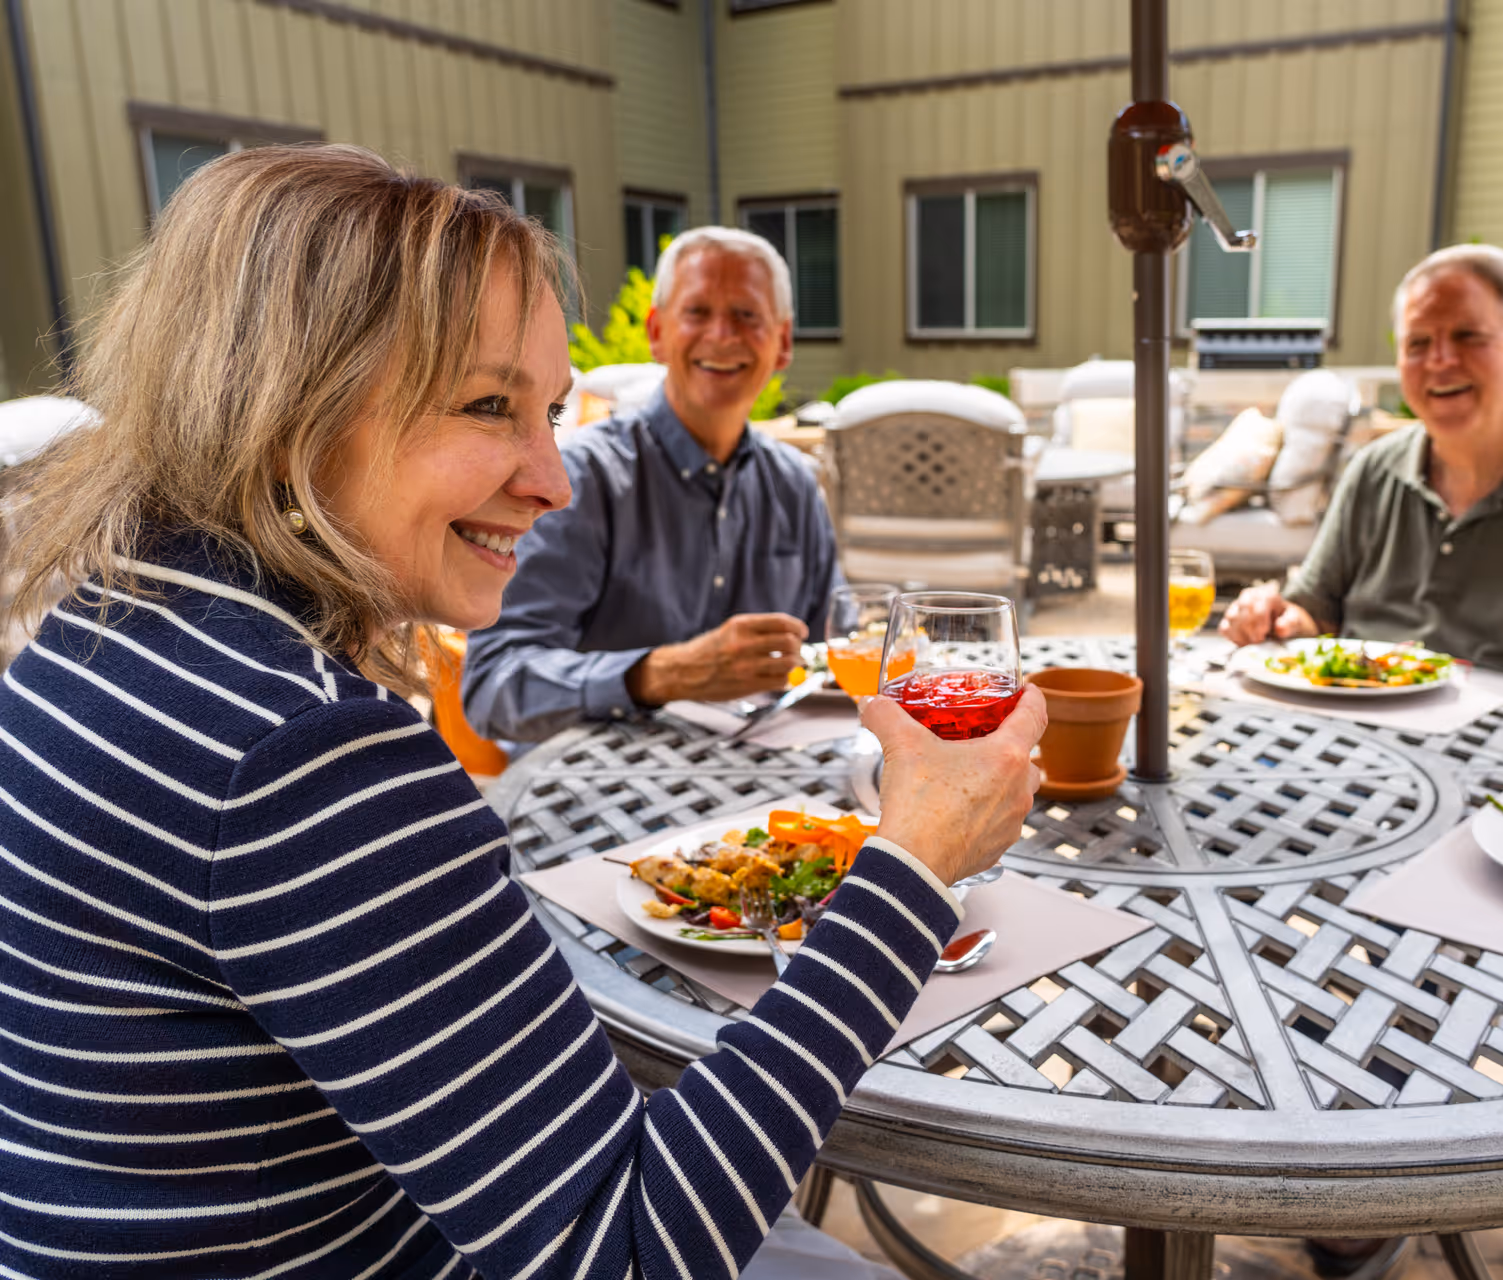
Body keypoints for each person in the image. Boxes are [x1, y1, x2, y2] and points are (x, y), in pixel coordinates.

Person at [0, 144, 1046, 1279]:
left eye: (548, 409)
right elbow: (628, 1248)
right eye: (490, 405)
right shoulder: (304, 755)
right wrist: (915, 864)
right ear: (291, 398)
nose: (550, 479)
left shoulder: (103, 627)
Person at [462, 225, 841, 743]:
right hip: (596, 786)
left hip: (756, 777)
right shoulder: (581, 479)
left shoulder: (794, 486)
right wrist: (660, 675)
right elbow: (493, 690)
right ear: (658, 332)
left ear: (783, 343)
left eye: (747, 315)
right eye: (698, 312)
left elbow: (835, 652)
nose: (723, 335)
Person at [1219, 244, 1503, 678]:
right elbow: (1315, 611)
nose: (1439, 360)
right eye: (1418, 343)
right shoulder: (1373, 470)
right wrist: (1277, 618)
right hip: (1354, 721)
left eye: (1468, 337)